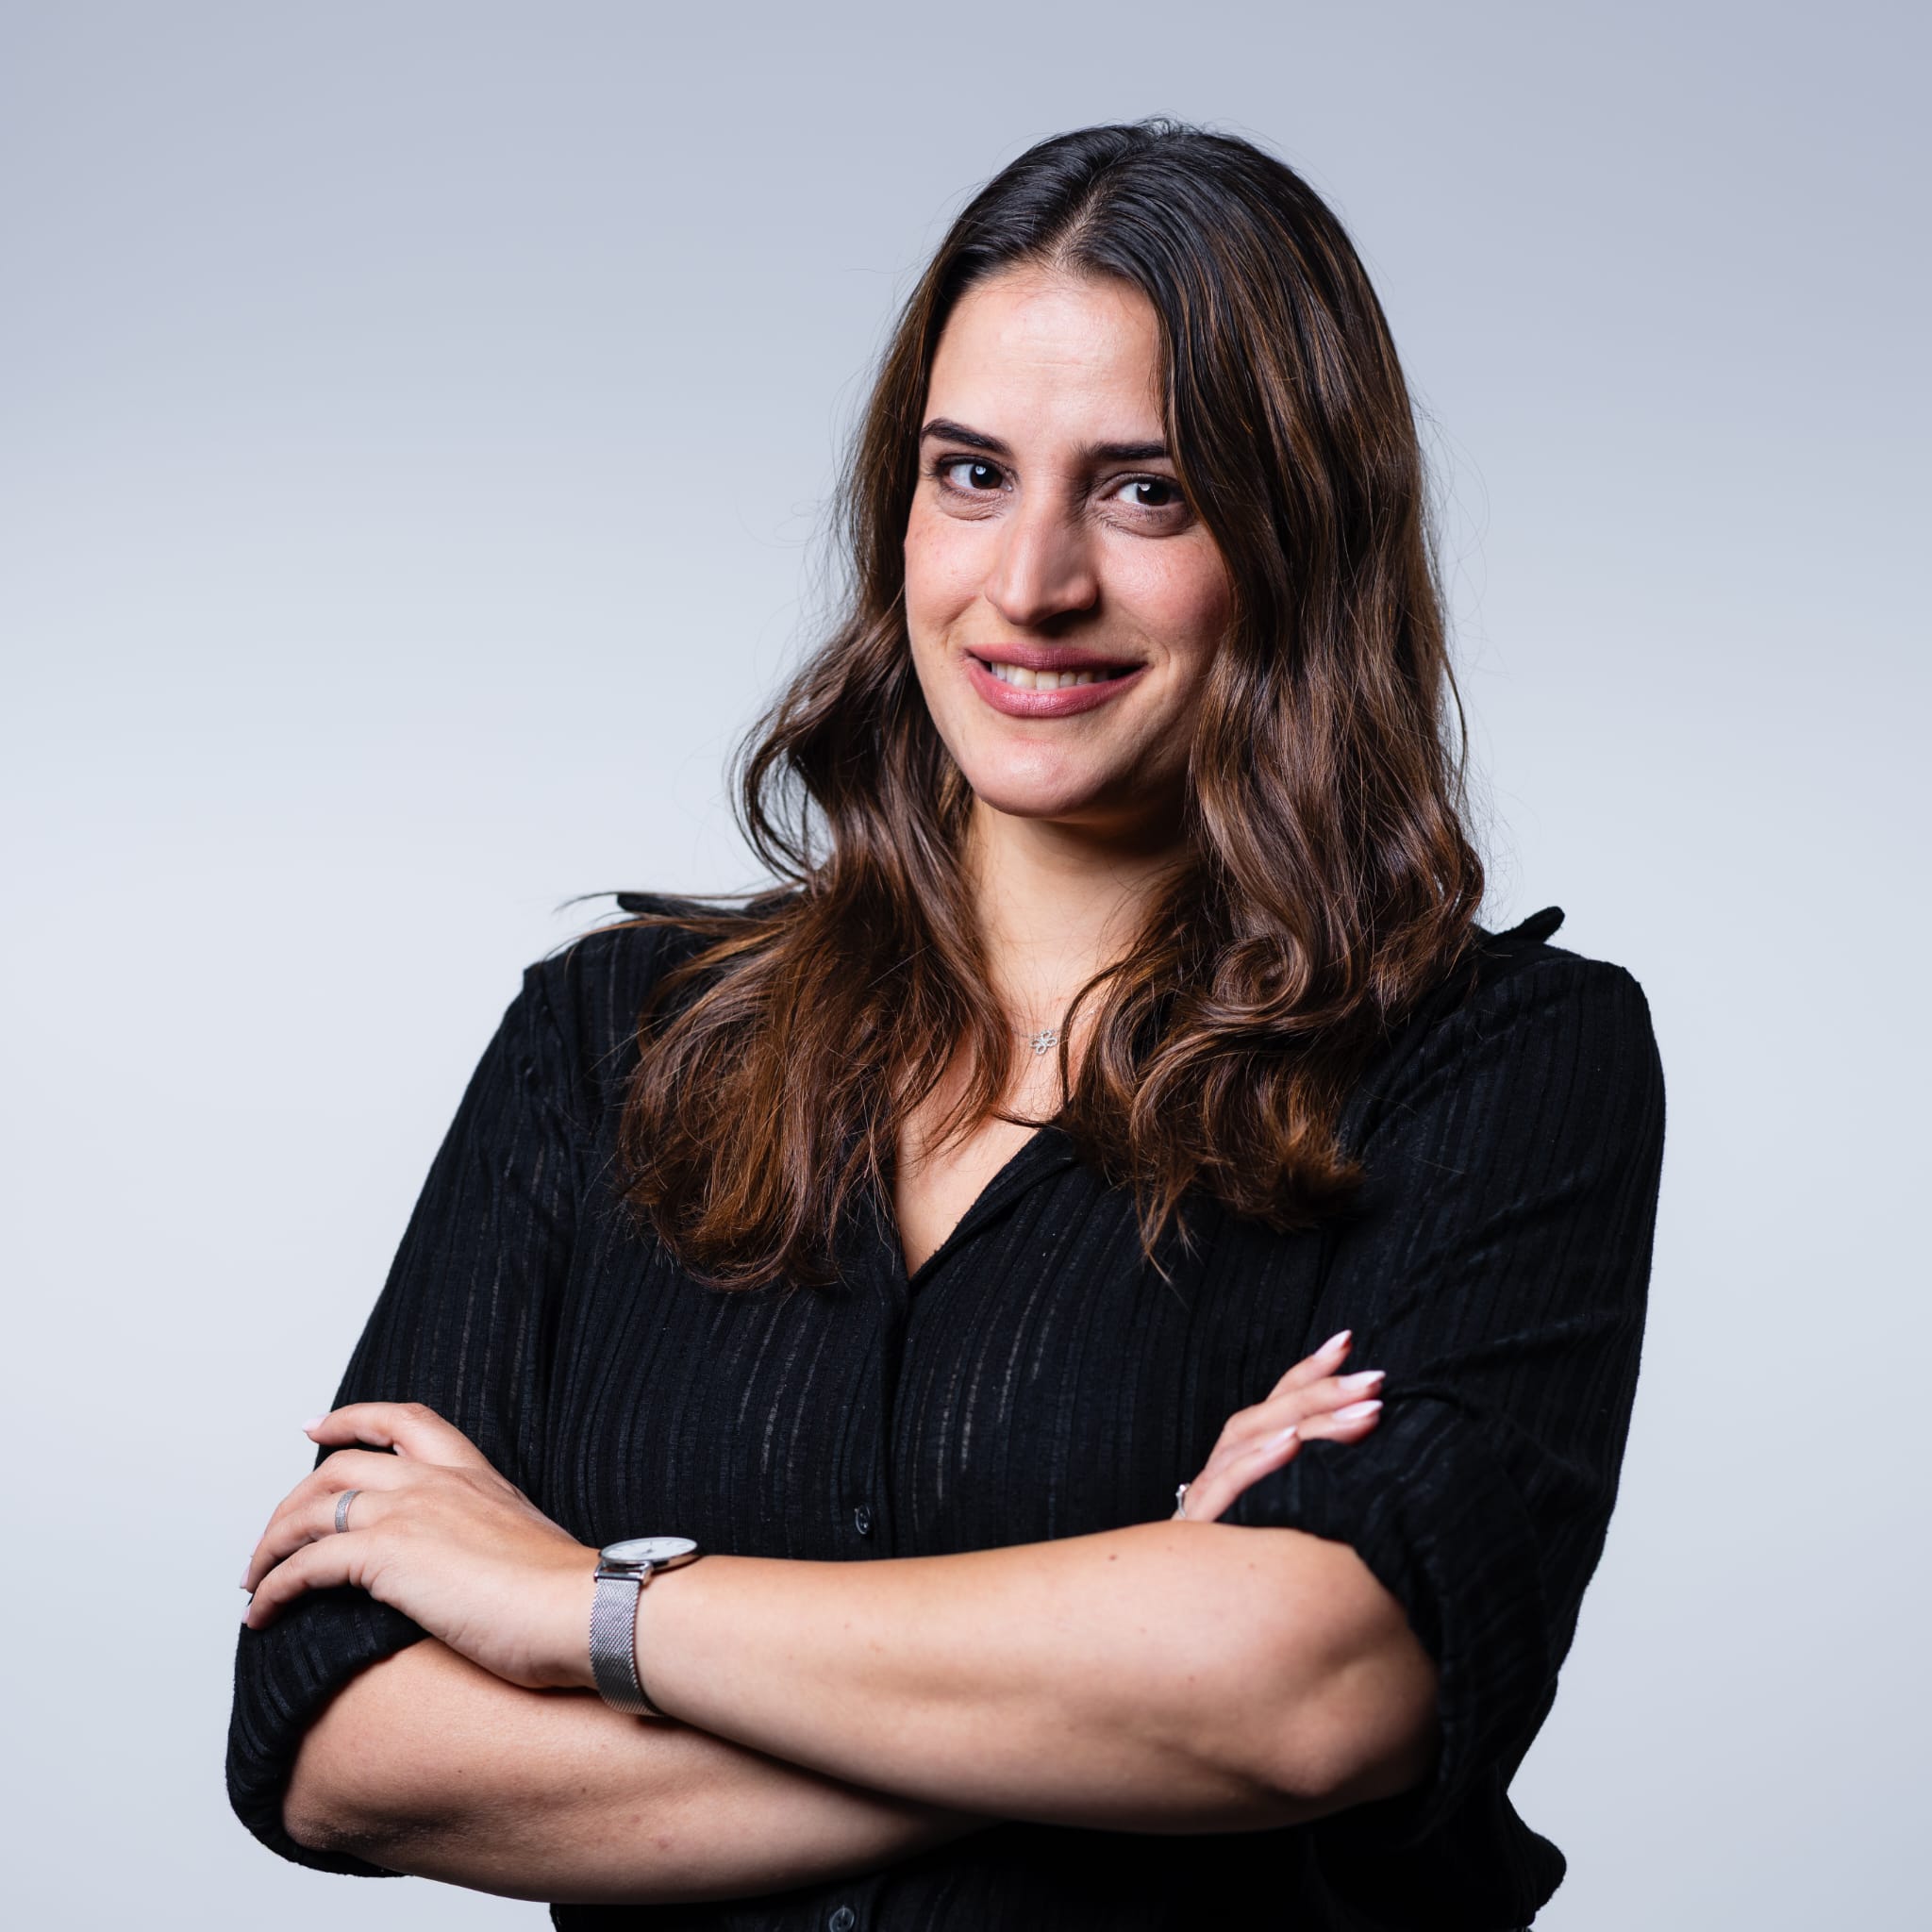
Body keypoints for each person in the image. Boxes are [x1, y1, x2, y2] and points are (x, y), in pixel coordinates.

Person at [227, 118, 1666, 1930]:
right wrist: (1120, 1674)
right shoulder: (613, 1044)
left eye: (1148, 491)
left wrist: (585, 1609)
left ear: (1301, 535)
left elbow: (1315, 1694)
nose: (1031, 581)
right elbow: (332, 1737)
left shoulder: (1501, 1067)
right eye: (970, 474)